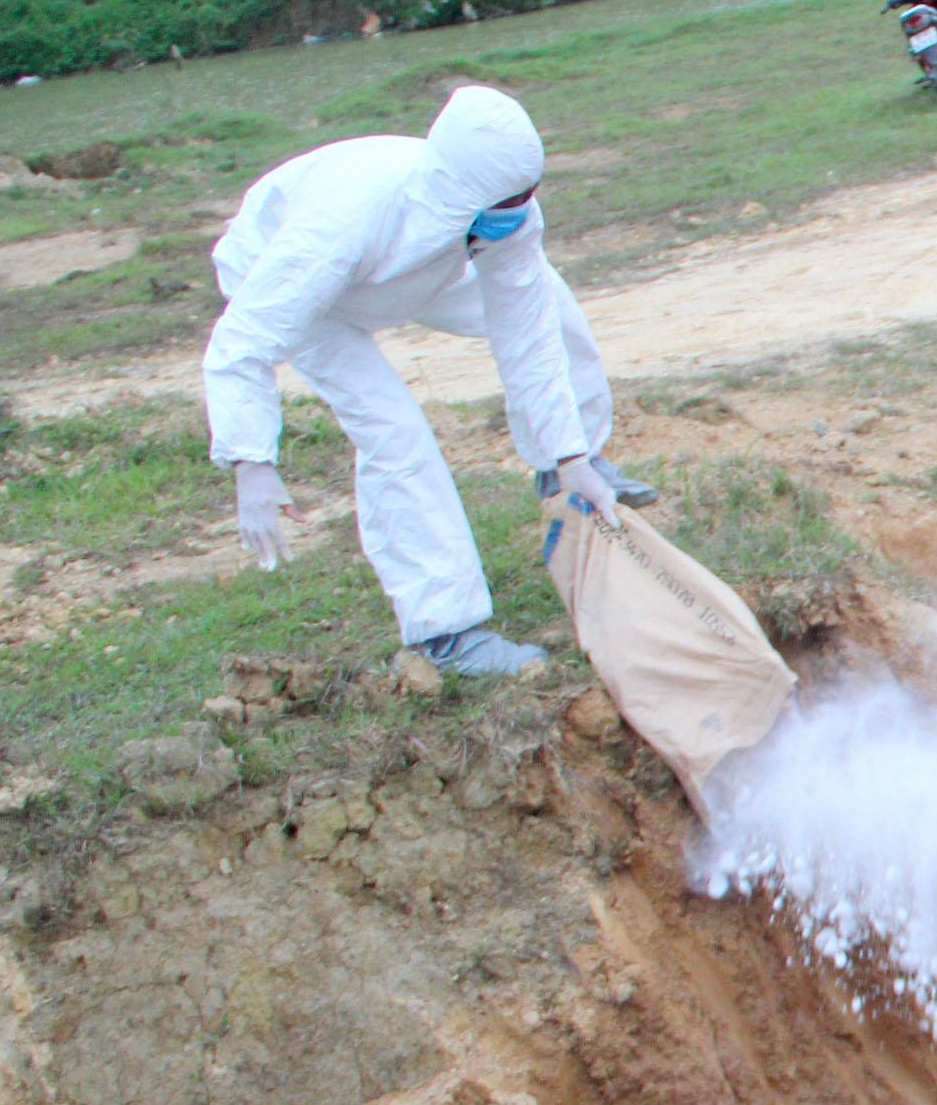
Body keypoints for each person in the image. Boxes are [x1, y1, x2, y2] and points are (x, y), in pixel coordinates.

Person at [202, 84, 656, 677]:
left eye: (526, 197)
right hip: (304, 292)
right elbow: (242, 342)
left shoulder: (502, 212)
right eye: (507, 203)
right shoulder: (342, 219)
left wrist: (568, 452)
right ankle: (445, 634)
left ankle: (572, 471)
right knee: (394, 432)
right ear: (459, 195)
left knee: (554, 309)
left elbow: (528, 337)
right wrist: (252, 462)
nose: (519, 212)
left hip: (427, 261)